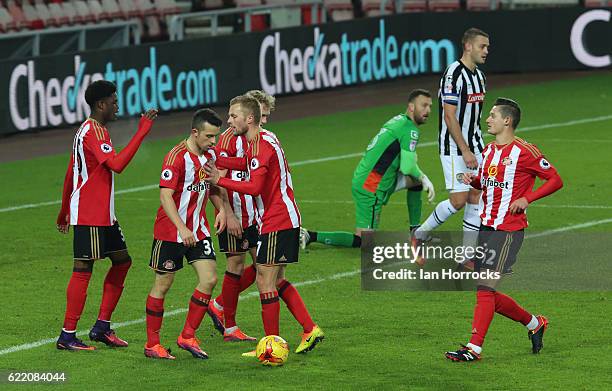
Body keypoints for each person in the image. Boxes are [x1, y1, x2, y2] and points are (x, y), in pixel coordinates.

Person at [444, 98, 563, 362]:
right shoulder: (488, 151)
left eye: (493, 115)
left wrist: (527, 199)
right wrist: (472, 180)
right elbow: (486, 182)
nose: (487, 119)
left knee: (485, 288)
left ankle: (474, 348)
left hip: (508, 231)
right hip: (487, 227)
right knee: (487, 291)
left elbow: (556, 179)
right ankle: (534, 323)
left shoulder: (524, 151)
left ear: (507, 121)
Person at [204, 95, 324, 355]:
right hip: (278, 217)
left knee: (265, 280)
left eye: (233, 116)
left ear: (249, 118)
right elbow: (246, 164)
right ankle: (308, 328)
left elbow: (255, 186)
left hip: (278, 219)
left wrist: (220, 180)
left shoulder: (260, 146)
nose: (229, 121)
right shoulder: (262, 140)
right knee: (274, 279)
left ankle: (272, 345)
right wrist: (219, 162)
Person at [55, 80, 158, 350]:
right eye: (113, 101)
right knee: (83, 268)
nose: (117, 105)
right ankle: (67, 335)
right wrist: (142, 132)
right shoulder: (93, 133)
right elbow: (117, 165)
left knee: (122, 262)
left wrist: (64, 209)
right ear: (101, 104)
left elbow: (70, 171)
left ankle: (101, 327)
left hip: (103, 214)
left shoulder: (92, 130)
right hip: (89, 212)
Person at [301, 89, 435, 249]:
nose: (427, 110)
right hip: (372, 185)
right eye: (424, 105)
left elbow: (401, 160)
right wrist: (424, 177)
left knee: (415, 183)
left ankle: (416, 233)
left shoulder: (398, 121)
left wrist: (418, 175)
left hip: (373, 177)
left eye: (430, 106)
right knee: (364, 241)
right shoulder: (410, 130)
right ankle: (310, 235)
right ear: (411, 107)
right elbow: (407, 167)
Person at [143, 108, 226, 360]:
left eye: (216, 137)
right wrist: (182, 228)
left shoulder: (209, 155)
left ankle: (187, 335)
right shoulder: (176, 157)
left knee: (209, 278)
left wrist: (221, 210)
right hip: (171, 231)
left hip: (198, 230)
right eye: (209, 136)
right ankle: (152, 345)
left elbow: (211, 187)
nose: (213, 142)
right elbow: (165, 196)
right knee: (163, 284)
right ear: (195, 132)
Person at [414, 28, 490, 263]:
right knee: (458, 200)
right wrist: (465, 150)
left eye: (487, 47)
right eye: (482, 46)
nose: (486, 51)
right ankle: (418, 235)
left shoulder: (480, 76)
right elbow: (449, 116)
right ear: (468, 46)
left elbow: (474, 115)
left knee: (476, 194)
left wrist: (477, 145)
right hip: (454, 147)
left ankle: (467, 256)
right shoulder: (453, 74)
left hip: (475, 144)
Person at [207, 90, 276, 342]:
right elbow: (217, 179)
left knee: (266, 268)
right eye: (263, 115)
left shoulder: (256, 138)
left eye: (266, 116)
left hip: (254, 212)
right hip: (234, 212)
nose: (265, 120)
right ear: (251, 113)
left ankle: (220, 306)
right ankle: (229, 325)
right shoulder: (227, 139)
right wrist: (228, 213)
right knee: (236, 264)